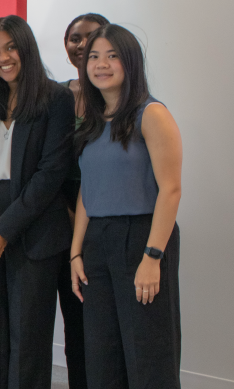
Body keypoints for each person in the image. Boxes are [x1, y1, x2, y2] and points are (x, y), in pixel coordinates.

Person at [0, 15, 75, 389]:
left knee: (27, 341)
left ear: (26, 48)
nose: (1, 58)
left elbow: (51, 174)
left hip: (33, 237)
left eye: (10, 48)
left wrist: (5, 230)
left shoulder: (56, 99)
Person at [70, 24, 182, 388]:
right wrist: (75, 254)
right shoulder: (92, 122)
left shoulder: (151, 114)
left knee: (147, 352)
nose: (101, 65)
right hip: (97, 242)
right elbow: (88, 189)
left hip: (141, 237)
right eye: (94, 57)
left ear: (130, 62)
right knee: (101, 355)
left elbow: (171, 190)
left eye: (112, 56)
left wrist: (153, 257)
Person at [55, 12, 110, 389]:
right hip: (59, 227)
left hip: (102, 228)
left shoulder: (116, 98)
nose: (80, 44)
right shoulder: (54, 95)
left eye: (89, 38)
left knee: (103, 330)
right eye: (74, 38)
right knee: (75, 330)